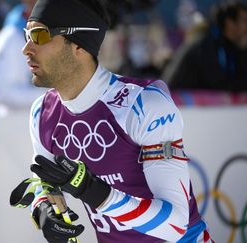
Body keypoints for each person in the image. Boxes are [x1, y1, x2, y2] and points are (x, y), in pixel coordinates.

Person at [20, 0, 214, 242]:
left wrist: (93, 191)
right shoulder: (43, 113)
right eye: (26, 34)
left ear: (79, 45)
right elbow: (44, 180)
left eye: (39, 36)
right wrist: (43, 208)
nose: (26, 48)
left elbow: (175, 224)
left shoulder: (144, 104)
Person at [163, 2, 247, 91]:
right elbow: (220, 86)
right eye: (245, 21)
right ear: (229, 23)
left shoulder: (228, 45)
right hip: (176, 100)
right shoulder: (205, 44)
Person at [0, 0, 45, 111]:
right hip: (15, 124)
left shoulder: (55, 36)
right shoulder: (9, 40)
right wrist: (53, 95)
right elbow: (3, 93)